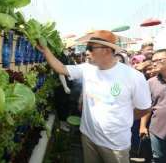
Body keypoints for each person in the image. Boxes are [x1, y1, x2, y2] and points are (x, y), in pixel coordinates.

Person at [37, 30, 152, 163]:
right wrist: (45, 50)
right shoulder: (88, 68)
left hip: (114, 145)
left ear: (107, 50)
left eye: (91, 48)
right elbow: (61, 68)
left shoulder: (133, 77)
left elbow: (144, 108)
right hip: (88, 137)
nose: (87, 52)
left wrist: (122, 118)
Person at [140, 49, 166, 163]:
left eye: (159, 60)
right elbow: (147, 107)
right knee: (159, 159)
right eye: (153, 61)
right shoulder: (151, 82)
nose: (154, 63)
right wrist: (142, 126)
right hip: (157, 130)